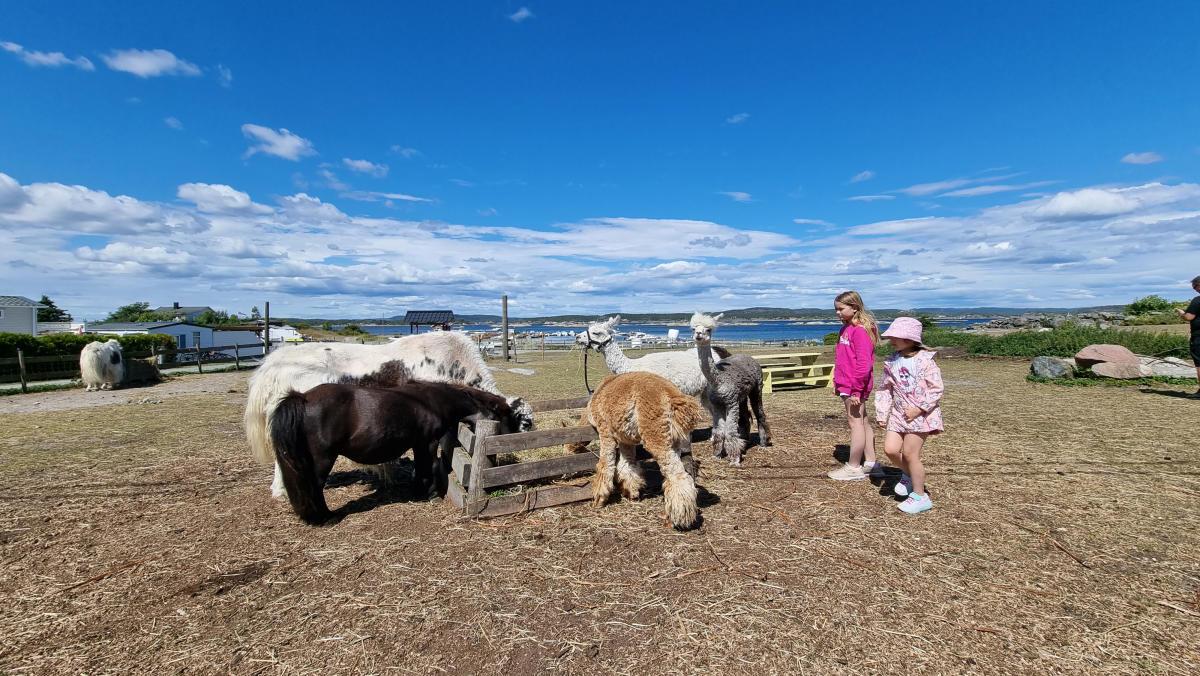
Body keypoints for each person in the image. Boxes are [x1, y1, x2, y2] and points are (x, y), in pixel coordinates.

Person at [874, 317, 944, 514]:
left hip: (920, 415)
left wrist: (919, 408)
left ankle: (920, 495)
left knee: (911, 454)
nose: (893, 340)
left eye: (898, 337)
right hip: (898, 413)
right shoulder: (892, 361)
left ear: (911, 339)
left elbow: (936, 388)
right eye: (892, 337)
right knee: (890, 449)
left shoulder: (925, 360)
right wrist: (882, 412)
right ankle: (907, 474)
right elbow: (884, 388)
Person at [827, 291, 881, 481]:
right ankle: (872, 463)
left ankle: (854, 466)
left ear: (855, 308)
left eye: (841, 309)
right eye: (836, 309)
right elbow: (841, 358)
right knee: (863, 421)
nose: (837, 313)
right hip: (846, 383)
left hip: (855, 385)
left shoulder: (860, 330)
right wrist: (836, 381)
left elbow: (863, 364)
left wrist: (856, 390)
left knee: (855, 422)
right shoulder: (845, 329)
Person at [1173, 275, 1200, 398]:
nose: (1194, 289)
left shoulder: (1197, 300)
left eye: (1195, 287)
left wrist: (1182, 313)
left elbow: (1189, 317)